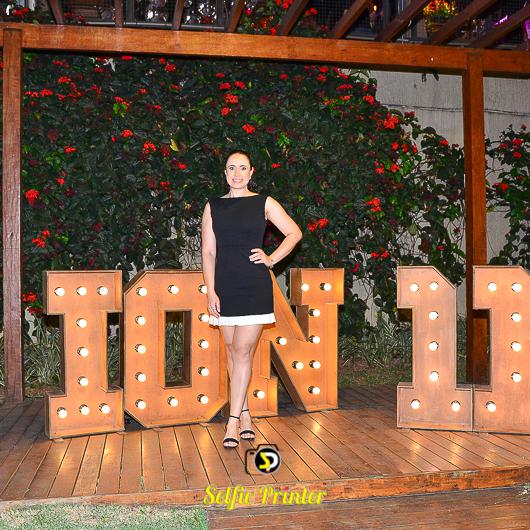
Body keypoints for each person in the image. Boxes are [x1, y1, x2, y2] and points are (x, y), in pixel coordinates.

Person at [201, 149, 303, 449]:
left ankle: (232, 421)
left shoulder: (264, 202)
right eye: (231, 168)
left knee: (243, 351)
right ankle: (245, 413)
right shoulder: (213, 206)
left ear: (251, 172)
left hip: (253, 286)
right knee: (232, 352)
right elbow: (208, 251)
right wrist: (211, 290)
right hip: (224, 287)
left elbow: (294, 233)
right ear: (225, 173)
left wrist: (271, 259)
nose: (237, 173)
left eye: (242, 168)